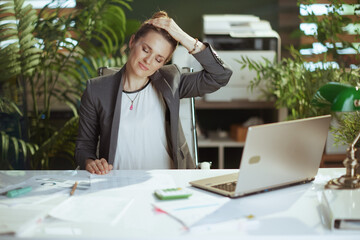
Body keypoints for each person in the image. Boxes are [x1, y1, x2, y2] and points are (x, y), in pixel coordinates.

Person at [75, 11, 232, 174]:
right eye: (145, 49)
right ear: (132, 42)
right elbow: (84, 146)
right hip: (117, 182)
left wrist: (182, 36)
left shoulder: (171, 81)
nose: (148, 61)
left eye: (158, 59)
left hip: (167, 183)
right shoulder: (97, 90)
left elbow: (221, 75)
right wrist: (90, 162)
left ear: (163, 63)